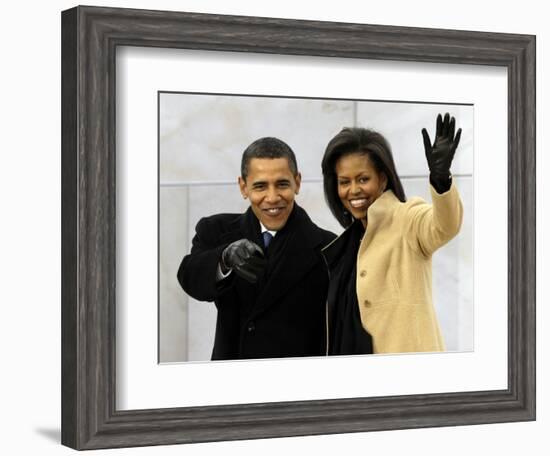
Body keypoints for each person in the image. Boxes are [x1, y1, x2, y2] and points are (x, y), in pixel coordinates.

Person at [177, 137, 336, 360]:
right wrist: (225, 258)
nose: (272, 198)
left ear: (297, 183)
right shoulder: (216, 230)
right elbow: (189, 277)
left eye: (282, 184)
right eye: (260, 186)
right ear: (243, 187)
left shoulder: (330, 247)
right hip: (233, 383)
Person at [321, 113, 463, 355]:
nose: (353, 190)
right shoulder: (347, 244)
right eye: (344, 181)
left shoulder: (407, 218)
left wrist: (441, 179)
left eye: (363, 179)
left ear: (383, 178)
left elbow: (444, 226)